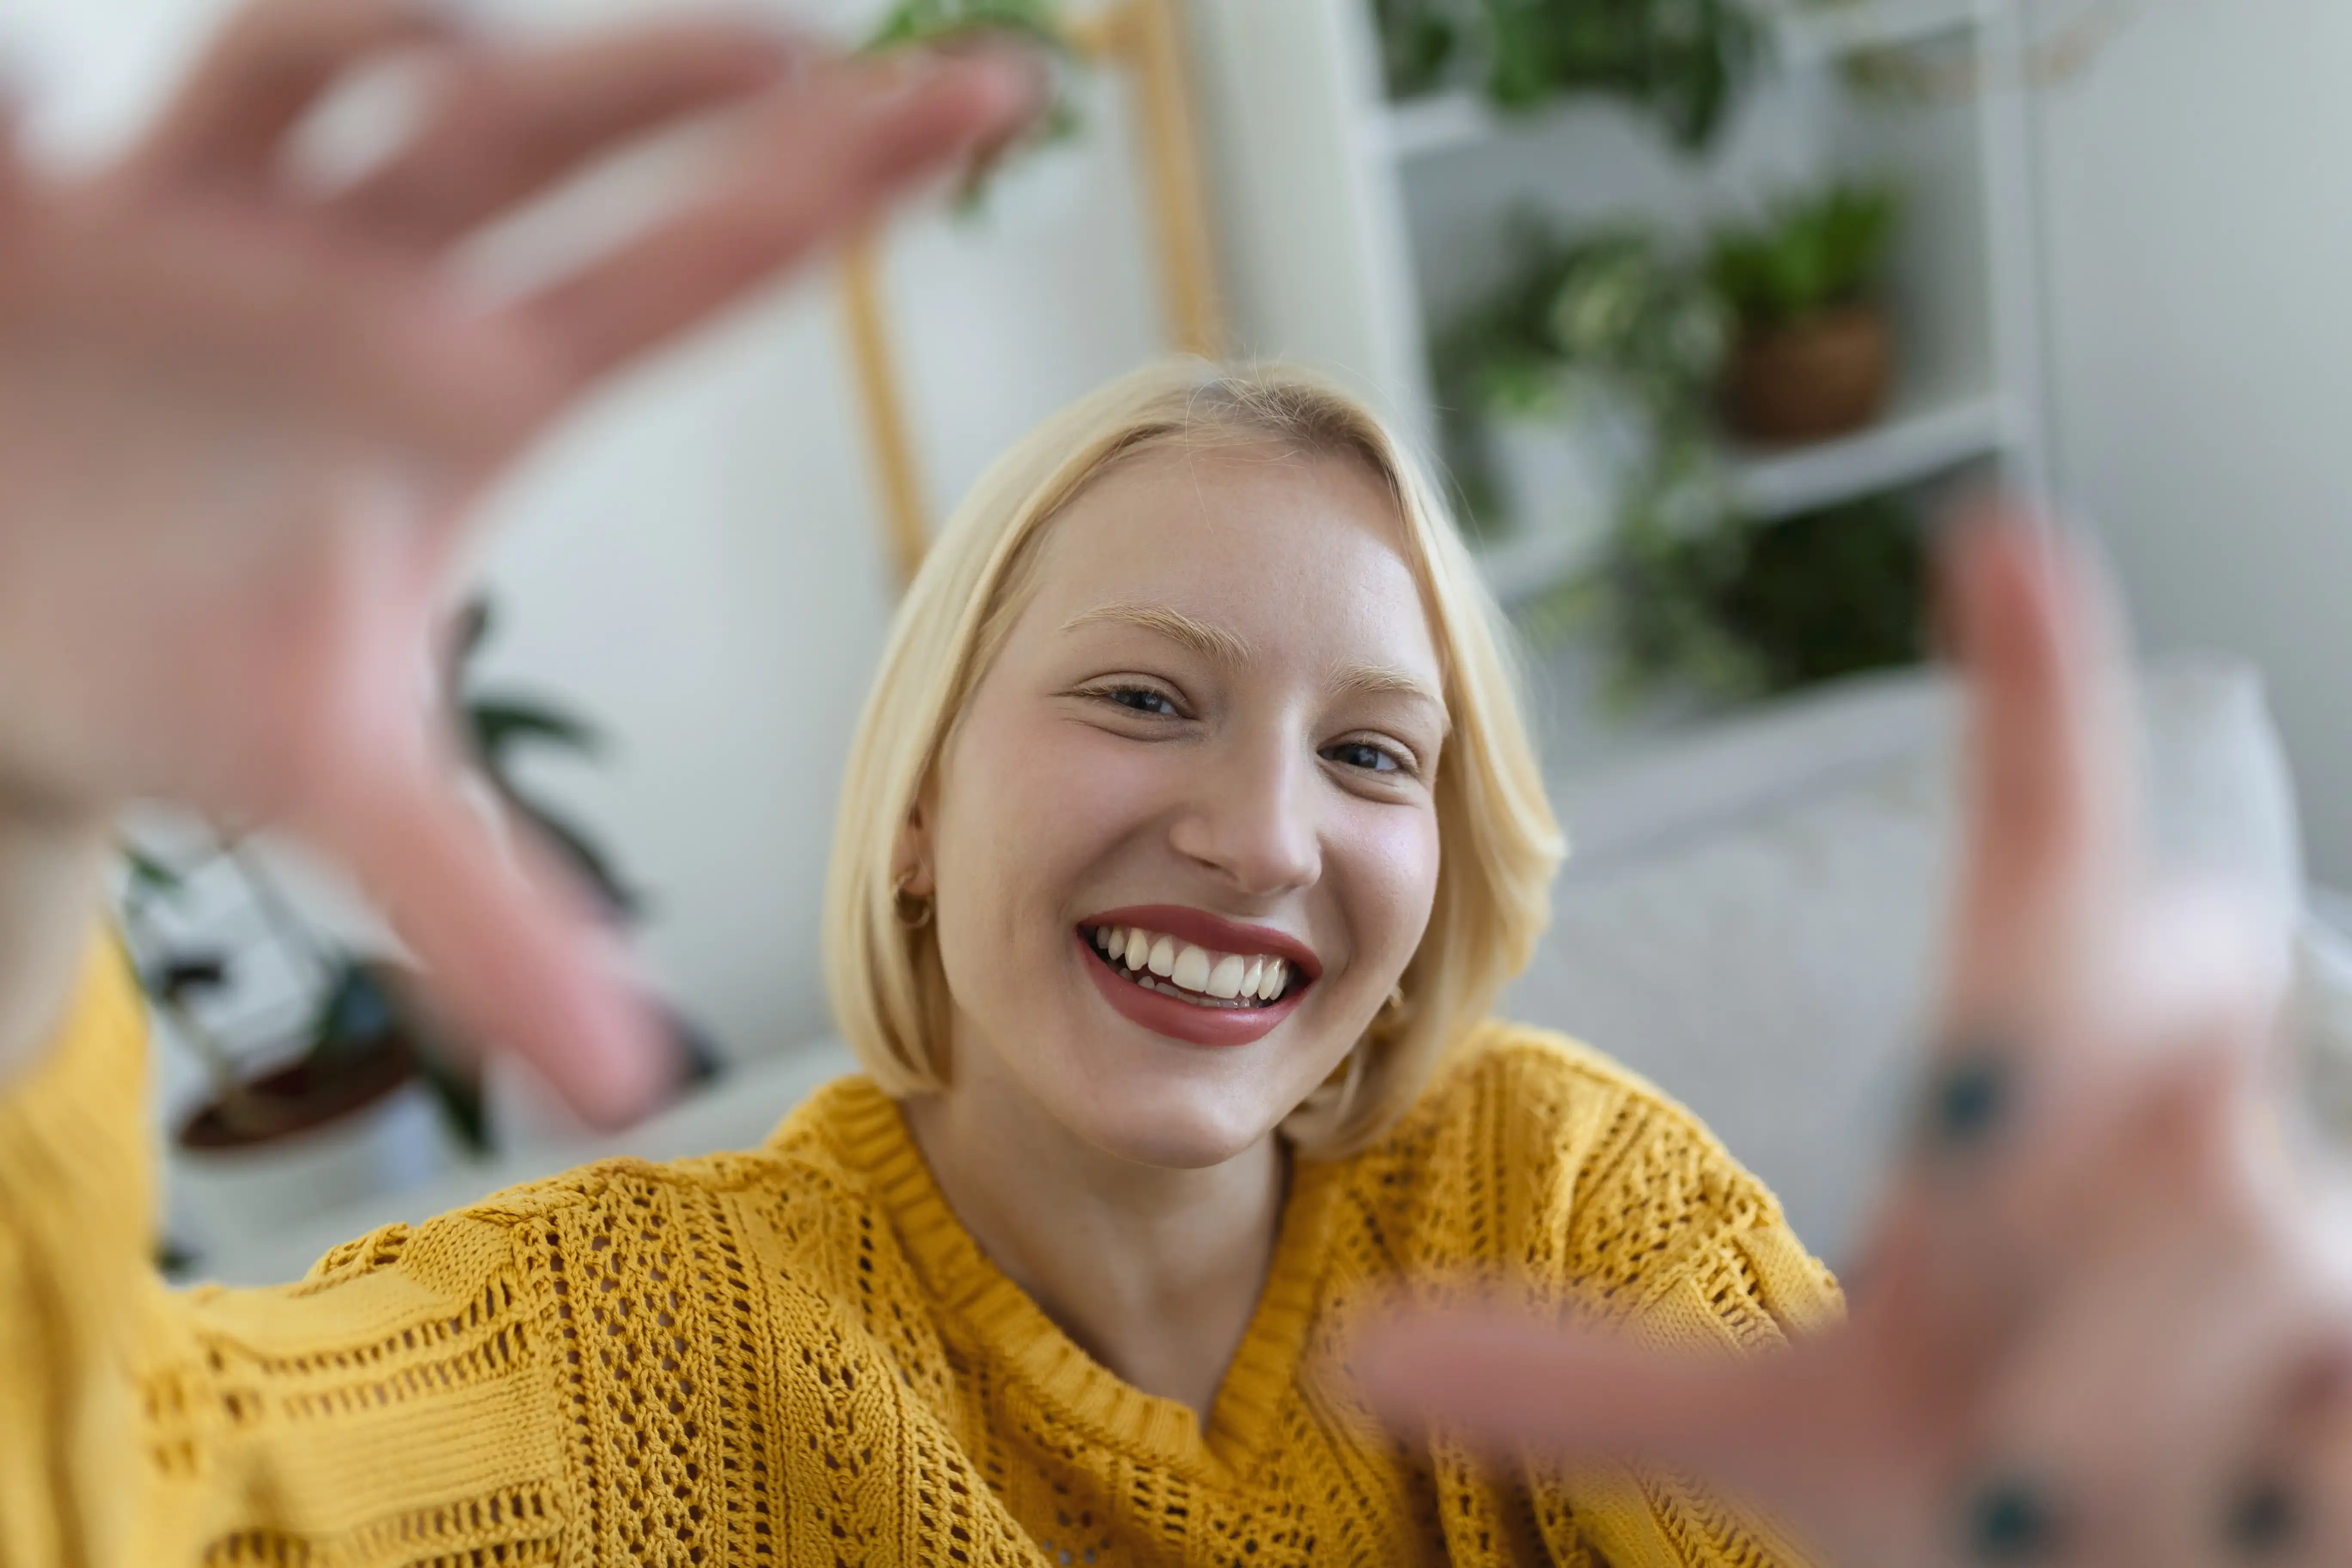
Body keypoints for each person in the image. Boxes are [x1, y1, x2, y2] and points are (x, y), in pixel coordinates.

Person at [3, 3, 2348, 1566]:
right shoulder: (655, 1340)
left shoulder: (1557, 1200)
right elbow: (116, 1502)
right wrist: (25, 782)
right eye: (1142, 699)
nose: (1263, 833)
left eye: (1370, 754)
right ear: (918, 805)